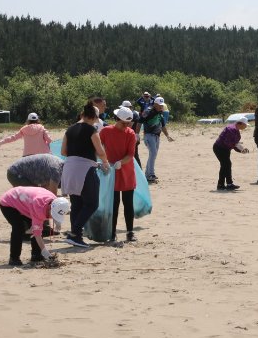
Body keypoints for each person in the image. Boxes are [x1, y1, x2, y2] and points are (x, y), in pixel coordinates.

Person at [60, 102, 110, 248]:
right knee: (92, 203)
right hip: (85, 169)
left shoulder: (69, 129)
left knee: (77, 203)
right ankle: (75, 233)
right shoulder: (91, 130)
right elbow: (100, 151)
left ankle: (75, 236)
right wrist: (105, 162)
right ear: (94, 117)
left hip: (69, 168)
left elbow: (63, 151)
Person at [0, 186, 69, 266]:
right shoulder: (39, 207)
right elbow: (37, 233)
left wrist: (57, 222)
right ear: (50, 207)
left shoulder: (55, 201)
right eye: (53, 214)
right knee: (19, 228)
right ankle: (14, 258)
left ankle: (36, 255)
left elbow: (55, 212)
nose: (52, 216)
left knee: (34, 226)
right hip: (9, 202)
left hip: (26, 203)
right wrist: (44, 250)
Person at [99, 106, 139, 242]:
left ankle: (130, 232)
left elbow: (130, 154)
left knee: (128, 203)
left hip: (126, 171)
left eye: (129, 123)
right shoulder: (105, 131)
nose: (126, 126)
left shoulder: (131, 133)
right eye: (124, 123)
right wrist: (103, 162)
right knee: (113, 204)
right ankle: (112, 232)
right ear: (117, 119)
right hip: (111, 173)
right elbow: (98, 147)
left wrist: (121, 162)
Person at [140, 96, 174, 183]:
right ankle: (151, 174)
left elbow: (163, 126)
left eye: (162, 105)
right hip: (149, 135)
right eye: (159, 105)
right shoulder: (148, 111)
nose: (161, 107)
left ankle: (148, 174)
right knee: (153, 154)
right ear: (155, 104)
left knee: (153, 155)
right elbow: (139, 121)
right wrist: (136, 134)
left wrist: (167, 136)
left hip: (156, 136)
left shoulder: (160, 113)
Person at [213, 116, 250, 190]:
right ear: (241, 124)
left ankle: (221, 185)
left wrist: (241, 150)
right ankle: (228, 184)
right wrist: (239, 148)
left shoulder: (235, 130)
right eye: (245, 125)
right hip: (220, 148)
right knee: (226, 165)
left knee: (225, 165)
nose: (246, 127)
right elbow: (229, 143)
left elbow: (234, 144)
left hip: (225, 149)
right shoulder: (231, 129)